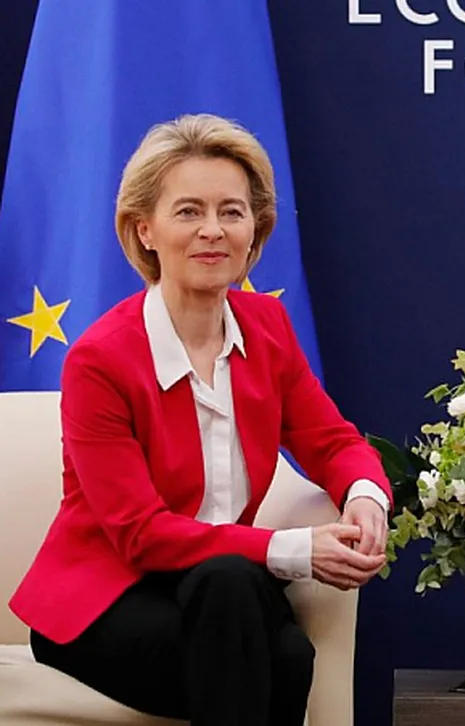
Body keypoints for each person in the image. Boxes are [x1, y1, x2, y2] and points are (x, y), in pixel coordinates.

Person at [7, 114, 392, 726]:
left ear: (254, 228)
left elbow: (331, 440)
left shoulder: (268, 329)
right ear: (145, 229)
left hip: (224, 585)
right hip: (107, 600)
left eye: (231, 211)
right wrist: (298, 548)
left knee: (239, 596)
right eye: (188, 211)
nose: (212, 230)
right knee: (280, 653)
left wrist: (365, 496)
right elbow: (140, 534)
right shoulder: (100, 360)